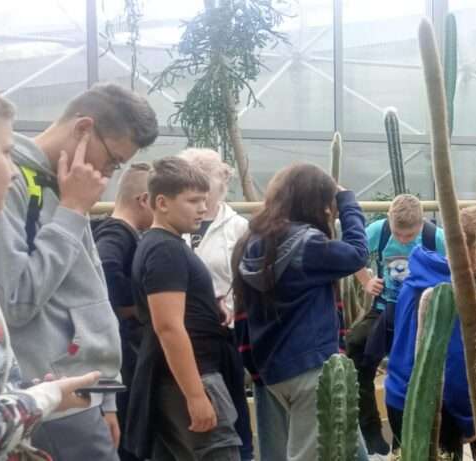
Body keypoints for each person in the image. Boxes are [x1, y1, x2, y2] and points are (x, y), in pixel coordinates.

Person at [0, 82, 158, 459]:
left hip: (78, 395)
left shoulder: (66, 184)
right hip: (45, 400)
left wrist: (105, 396)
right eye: (112, 160)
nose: (107, 175)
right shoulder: (3, 186)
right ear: (84, 128)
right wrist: (72, 210)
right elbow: (14, 302)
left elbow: (89, 287)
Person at [233, 163, 369, 459]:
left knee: (353, 452)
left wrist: (256, 369)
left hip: (272, 368)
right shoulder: (307, 244)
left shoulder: (250, 241)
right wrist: (348, 203)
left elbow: (243, 314)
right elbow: (358, 254)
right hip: (311, 367)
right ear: (315, 202)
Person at [126, 157, 243, 460]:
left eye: (204, 200)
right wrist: (195, 395)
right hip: (191, 378)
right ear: (162, 203)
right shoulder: (165, 249)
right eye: (193, 201)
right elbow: (168, 327)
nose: (202, 208)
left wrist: (209, 307)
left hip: (179, 378)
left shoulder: (164, 244)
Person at [349, 194, 446, 454]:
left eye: (409, 236)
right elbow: (353, 254)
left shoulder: (435, 238)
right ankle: (370, 431)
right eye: (398, 234)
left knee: (416, 369)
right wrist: (366, 281)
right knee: (355, 348)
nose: (403, 240)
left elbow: (454, 270)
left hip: (420, 313)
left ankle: (414, 439)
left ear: (421, 224)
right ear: (389, 221)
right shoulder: (378, 231)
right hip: (385, 308)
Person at [385, 206, 476, 459]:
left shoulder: (416, 275)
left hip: (398, 394)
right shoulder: (452, 294)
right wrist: (470, 421)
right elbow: (454, 366)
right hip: (431, 408)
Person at [178, 148, 254, 460]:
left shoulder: (238, 228)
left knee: (231, 407)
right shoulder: (172, 228)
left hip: (226, 332)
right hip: (183, 332)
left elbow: (247, 280)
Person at [93, 163, 154, 460]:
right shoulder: (118, 233)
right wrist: (134, 307)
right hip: (124, 351)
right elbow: (106, 267)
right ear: (144, 200)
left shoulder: (118, 231)